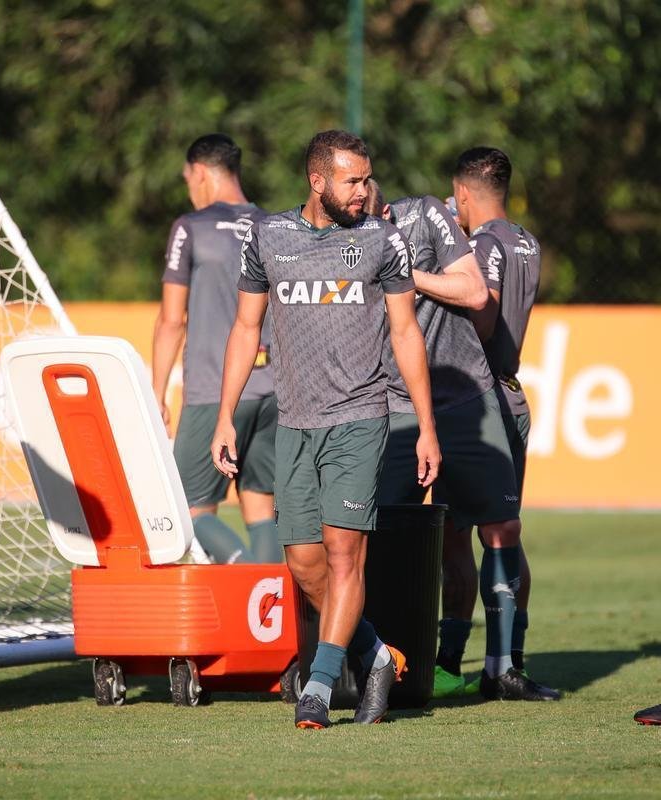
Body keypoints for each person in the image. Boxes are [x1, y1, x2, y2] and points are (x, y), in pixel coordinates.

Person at [211, 130, 440, 728]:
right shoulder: (269, 236)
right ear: (318, 181)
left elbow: (405, 333)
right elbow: (245, 330)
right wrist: (224, 417)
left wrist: (426, 426)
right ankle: (376, 654)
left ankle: (318, 685)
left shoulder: (383, 240)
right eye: (352, 180)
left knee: (343, 556)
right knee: (305, 563)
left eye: (367, 178)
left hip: (360, 418)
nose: (364, 190)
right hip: (293, 423)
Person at [370, 177, 559, 701]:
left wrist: (403, 273)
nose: (362, 204)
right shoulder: (338, 244)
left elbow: (475, 294)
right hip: (395, 403)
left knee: (502, 525)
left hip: (468, 398)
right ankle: (397, 662)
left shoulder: (425, 214)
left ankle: (502, 667)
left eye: (368, 194)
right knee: (393, 532)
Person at [152, 133, 281, 565]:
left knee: (188, 511)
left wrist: (157, 394)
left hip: (214, 391)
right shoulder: (274, 226)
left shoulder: (191, 227)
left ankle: (250, 581)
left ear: (201, 173)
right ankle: (271, 597)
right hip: (272, 391)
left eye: (188, 178)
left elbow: (172, 320)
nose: (189, 187)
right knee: (261, 505)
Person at [449, 146, 550, 692]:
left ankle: (452, 662)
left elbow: (483, 316)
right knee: (506, 529)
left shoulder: (484, 242)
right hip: (512, 394)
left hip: (479, 402)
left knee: (456, 534)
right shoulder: (526, 240)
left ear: (463, 192)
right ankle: (510, 659)